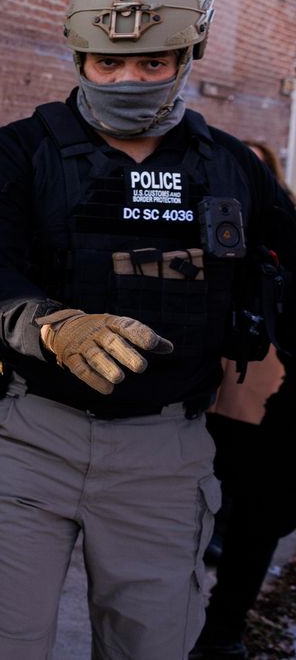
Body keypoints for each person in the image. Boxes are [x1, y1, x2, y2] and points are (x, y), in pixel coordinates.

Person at [0, 0, 296, 657]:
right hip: (28, 434)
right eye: (108, 62)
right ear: (81, 57)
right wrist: (53, 325)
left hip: (165, 449)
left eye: (152, 63)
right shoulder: (20, 152)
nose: (128, 80)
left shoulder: (232, 167)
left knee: (151, 644)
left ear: (188, 56)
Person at [191, 141, 296, 660]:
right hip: (230, 394)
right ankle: (212, 629)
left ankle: (220, 631)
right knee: (240, 516)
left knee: (257, 520)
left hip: (268, 399)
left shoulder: (281, 225)